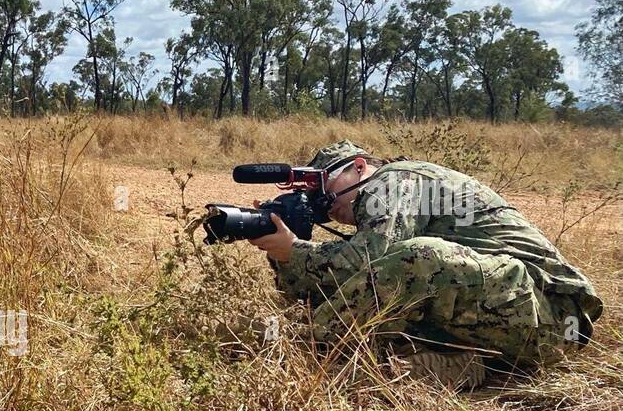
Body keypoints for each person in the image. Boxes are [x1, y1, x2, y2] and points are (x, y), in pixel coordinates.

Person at [249, 140, 603, 389]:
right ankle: (466, 363)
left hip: (559, 313)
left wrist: (295, 251)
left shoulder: (393, 180)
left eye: (325, 184)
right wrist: (283, 253)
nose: (323, 201)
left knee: (419, 258)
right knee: (387, 284)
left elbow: (367, 260)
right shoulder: (387, 202)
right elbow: (352, 280)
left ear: (359, 166)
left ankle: (314, 353)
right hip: (531, 327)